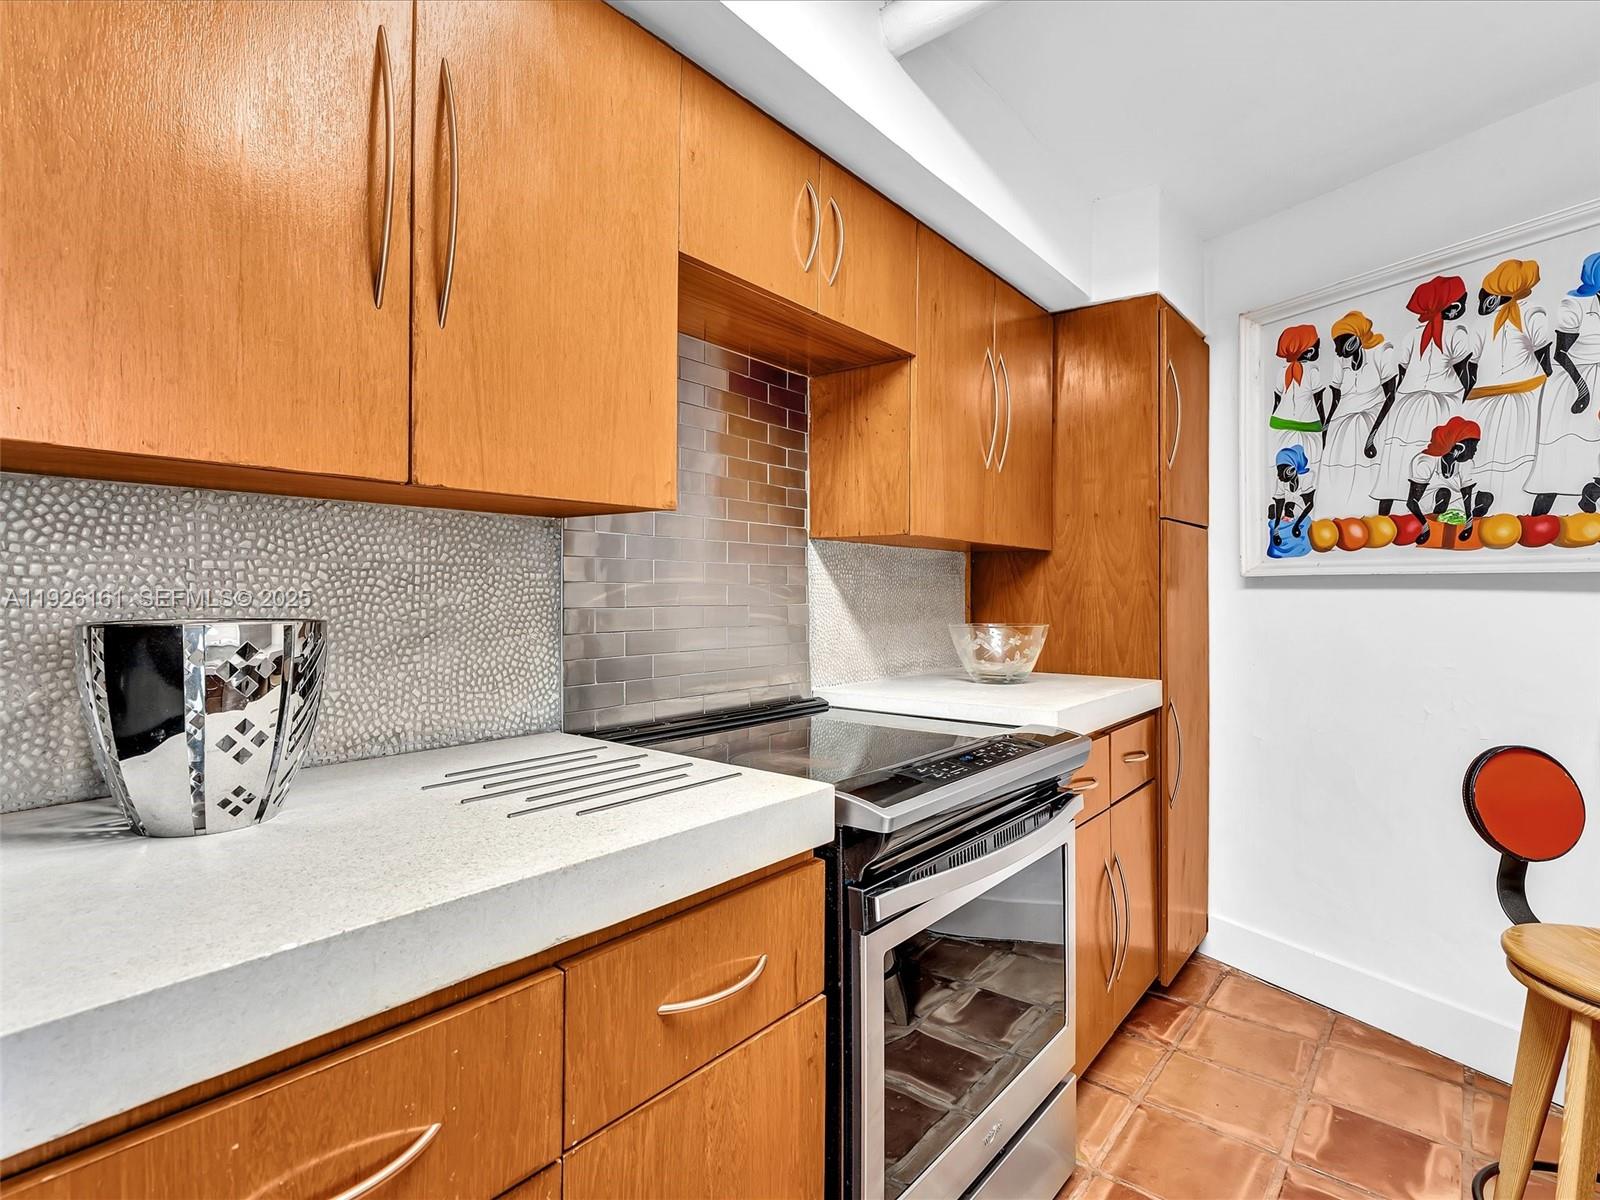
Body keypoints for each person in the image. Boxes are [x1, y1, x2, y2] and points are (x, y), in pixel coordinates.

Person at [1370, 276, 1473, 515]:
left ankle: (1385, 516)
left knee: (1399, 459)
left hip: (1406, 407)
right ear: (1454, 306)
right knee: (1435, 461)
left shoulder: (1411, 336)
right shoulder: (1457, 332)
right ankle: (1429, 516)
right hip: (1443, 406)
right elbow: (1464, 378)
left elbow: (1403, 375)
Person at [1464, 259, 1548, 511]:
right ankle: (1484, 504)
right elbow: (1472, 365)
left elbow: (1544, 357)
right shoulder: (1483, 324)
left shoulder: (1531, 313)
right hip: (1485, 400)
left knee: (1515, 453)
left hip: (1524, 395)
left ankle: (1513, 510)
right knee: (1485, 454)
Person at [1527, 251, 1600, 515]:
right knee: (1564, 451)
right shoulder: (1573, 305)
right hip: (1574, 378)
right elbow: (1561, 352)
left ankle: (1592, 492)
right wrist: (1582, 390)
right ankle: (1537, 520)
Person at [1322, 311, 1398, 517]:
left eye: (1341, 344)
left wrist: (1372, 435)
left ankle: (1370, 521)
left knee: (1368, 472)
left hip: (1372, 420)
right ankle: (1342, 519)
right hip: (1341, 422)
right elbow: (1336, 395)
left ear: (1354, 340)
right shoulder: (1342, 361)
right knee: (1339, 473)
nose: (1337, 352)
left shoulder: (1383, 351)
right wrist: (1327, 426)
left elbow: (1390, 395)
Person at [1270, 324, 1326, 506]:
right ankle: (1301, 504)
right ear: (1309, 352)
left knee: (1284, 466)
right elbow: (1319, 401)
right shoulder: (1313, 371)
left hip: (1280, 426)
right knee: (1307, 467)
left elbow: (1276, 401)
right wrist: (1324, 426)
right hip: (1308, 427)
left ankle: (1288, 505)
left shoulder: (1281, 372)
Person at [1407, 416, 1484, 544]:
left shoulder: (1466, 463)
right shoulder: (1425, 462)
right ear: (1459, 448)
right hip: (1426, 506)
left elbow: (1466, 491)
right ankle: (1437, 527)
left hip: (1456, 508)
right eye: (1473, 446)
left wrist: (1469, 523)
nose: (1476, 451)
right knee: (1443, 493)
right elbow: (1412, 502)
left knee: (1485, 498)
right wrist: (1425, 527)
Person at [1268, 444, 1313, 554]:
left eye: (1283, 470)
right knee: (1273, 508)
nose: (1279, 475)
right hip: (1286, 513)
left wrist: (1297, 525)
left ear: (1293, 469)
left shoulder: (1306, 478)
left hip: (1300, 513)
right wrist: (1276, 531)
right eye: (1278, 470)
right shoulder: (1281, 482)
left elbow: (1310, 504)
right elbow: (1279, 502)